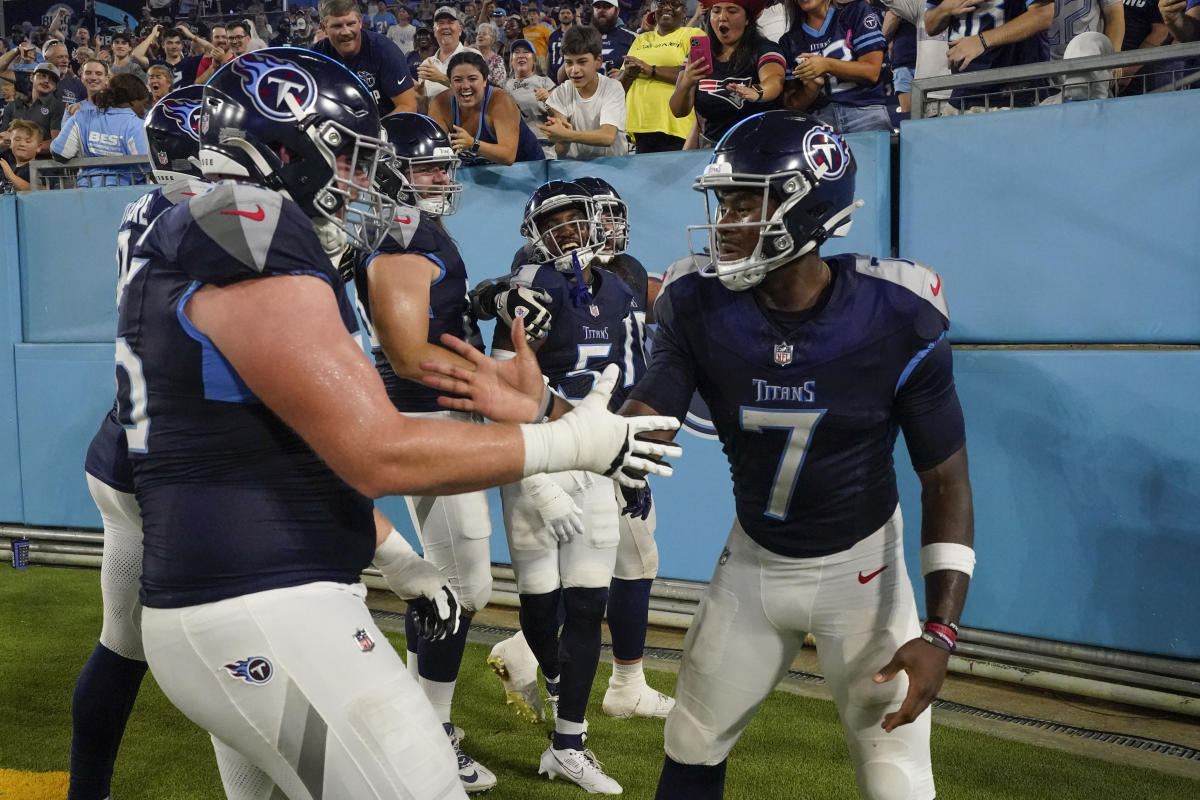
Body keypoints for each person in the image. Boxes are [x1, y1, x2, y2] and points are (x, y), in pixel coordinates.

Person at [123, 47, 680, 800]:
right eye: (350, 160)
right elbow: (376, 452)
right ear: (285, 151)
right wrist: (571, 442)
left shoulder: (226, 228)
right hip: (257, 601)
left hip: (247, 590)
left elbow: (296, 442)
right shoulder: (248, 223)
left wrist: (394, 545)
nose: (362, 184)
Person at [424, 110, 975, 800]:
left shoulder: (897, 312)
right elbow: (642, 424)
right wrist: (549, 414)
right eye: (723, 200)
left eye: (745, 200)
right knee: (689, 739)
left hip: (863, 577)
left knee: (895, 775)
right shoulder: (696, 301)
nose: (725, 220)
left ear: (808, 206)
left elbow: (946, 481)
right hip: (755, 565)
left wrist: (942, 631)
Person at [350, 111, 500, 794]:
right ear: (391, 173)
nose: (443, 177)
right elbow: (409, 355)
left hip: (436, 407)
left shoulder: (411, 227)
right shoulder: (402, 232)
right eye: (428, 167)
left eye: (445, 165)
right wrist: (495, 387)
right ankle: (426, 735)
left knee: (466, 585)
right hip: (422, 411)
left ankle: (423, 725)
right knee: (455, 587)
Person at [489, 180, 648, 794]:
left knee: (588, 603)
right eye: (554, 220)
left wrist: (631, 459)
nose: (569, 230)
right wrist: (537, 483)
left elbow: (633, 386)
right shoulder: (528, 292)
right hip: (540, 458)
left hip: (598, 458)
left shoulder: (622, 291)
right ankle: (551, 676)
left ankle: (569, 743)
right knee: (539, 604)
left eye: (576, 218)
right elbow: (504, 394)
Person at [670, 0, 786, 146]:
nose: (722, 17)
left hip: (758, 147)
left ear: (747, 19)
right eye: (716, 11)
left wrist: (757, 92)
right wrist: (687, 80)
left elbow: (774, 79)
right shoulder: (698, 56)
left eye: (732, 11)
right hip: (713, 149)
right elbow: (678, 111)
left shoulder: (765, 49)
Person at [777, 0, 893, 132]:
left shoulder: (855, 11)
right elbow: (792, 107)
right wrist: (812, 87)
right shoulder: (789, 41)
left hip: (865, 114)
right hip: (819, 124)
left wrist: (827, 65)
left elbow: (872, 72)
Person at [924, 0, 1054, 110]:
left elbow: (1043, 14)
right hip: (964, 91)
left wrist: (982, 41)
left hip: (1018, 90)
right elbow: (930, 26)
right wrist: (944, 9)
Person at [430, 51, 546, 165]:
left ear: (485, 80)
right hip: (480, 173)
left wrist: (473, 144)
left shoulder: (500, 101)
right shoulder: (440, 104)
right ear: (450, 82)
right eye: (458, 80)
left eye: (472, 79)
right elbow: (433, 152)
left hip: (528, 170)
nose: (465, 86)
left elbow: (508, 156)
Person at [621, 0, 704, 152]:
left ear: (684, 11)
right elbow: (619, 86)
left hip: (678, 126)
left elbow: (699, 72)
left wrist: (651, 70)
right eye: (661, 4)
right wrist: (627, 74)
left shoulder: (696, 35)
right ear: (653, 10)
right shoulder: (641, 39)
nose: (667, 7)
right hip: (641, 126)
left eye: (674, 4)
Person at [540, 25, 630, 158]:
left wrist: (568, 135)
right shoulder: (561, 93)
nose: (574, 70)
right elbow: (560, 150)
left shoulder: (612, 87)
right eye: (569, 63)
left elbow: (607, 137)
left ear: (598, 61)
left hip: (613, 167)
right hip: (576, 168)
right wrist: (562, 139)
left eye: (582, 62)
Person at [315, 0, 418, 114]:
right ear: (324, 28)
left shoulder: (384, 50)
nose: (345, 32)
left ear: (360, 22)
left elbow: (408, 106)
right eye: (337, 26)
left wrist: (376, 132)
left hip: (385, 125)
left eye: (350, 24)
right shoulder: (316, 56)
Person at [51, 73, 149, 187]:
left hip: (87, 194)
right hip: (126, 196)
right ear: (133, 101)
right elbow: (146, 166)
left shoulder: (81, 117)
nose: (144, 109)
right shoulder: (138, 125)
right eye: (143, 104)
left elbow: (59, 152)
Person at [503, 38, 558, 157]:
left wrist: (548, 100)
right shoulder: (504, 86)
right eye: (517, 52)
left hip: (543, 145)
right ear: (511, 60)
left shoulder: (545, 82)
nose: (521, 56)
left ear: (534, 60)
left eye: (526, 52)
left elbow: (559, 117)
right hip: (514, 146)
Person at [417, 6, 481, 104]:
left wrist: (442, 79)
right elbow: (424, 112)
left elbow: (480, 94)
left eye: (450, 22)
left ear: (460, 30)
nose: (445, 26)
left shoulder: (473, 55)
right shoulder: (426, 64)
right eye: (440, 23)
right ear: (434, 31)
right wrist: (420, 98)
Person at [0, 63, 66, 157]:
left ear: (55, 87)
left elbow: (57, 142)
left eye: (52, 79)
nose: (46, 81)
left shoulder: (58, 106)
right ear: (31, 77)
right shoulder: (13, 105)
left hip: (42, 166)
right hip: (12, 164)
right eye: (42, 76)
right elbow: (3, 136)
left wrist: (21, 146)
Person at [591, 0, 638, 75]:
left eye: (607, 6)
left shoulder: (633, 38)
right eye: (598, 7)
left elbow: (644, 69)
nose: (601, 10)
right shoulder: (580, 37)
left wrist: (624, 76)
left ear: (617, 11)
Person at [0, 119, 40, 191]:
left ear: (38, 147)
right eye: (17, 139)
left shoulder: (40, 170)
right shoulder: (7, 163)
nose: (22, 144)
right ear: (10, 143)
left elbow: (45, 192)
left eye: (28, 141)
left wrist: (11, 176)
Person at [548, 2, 579, 79]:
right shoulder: (553, 35)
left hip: (572, 76)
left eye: (568, 13)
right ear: (558, 16)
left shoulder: (579, 34)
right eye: (562, 13)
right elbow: (549, 54)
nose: (565, 15)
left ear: (573, 16)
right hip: (553, 77)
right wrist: (547, 73)